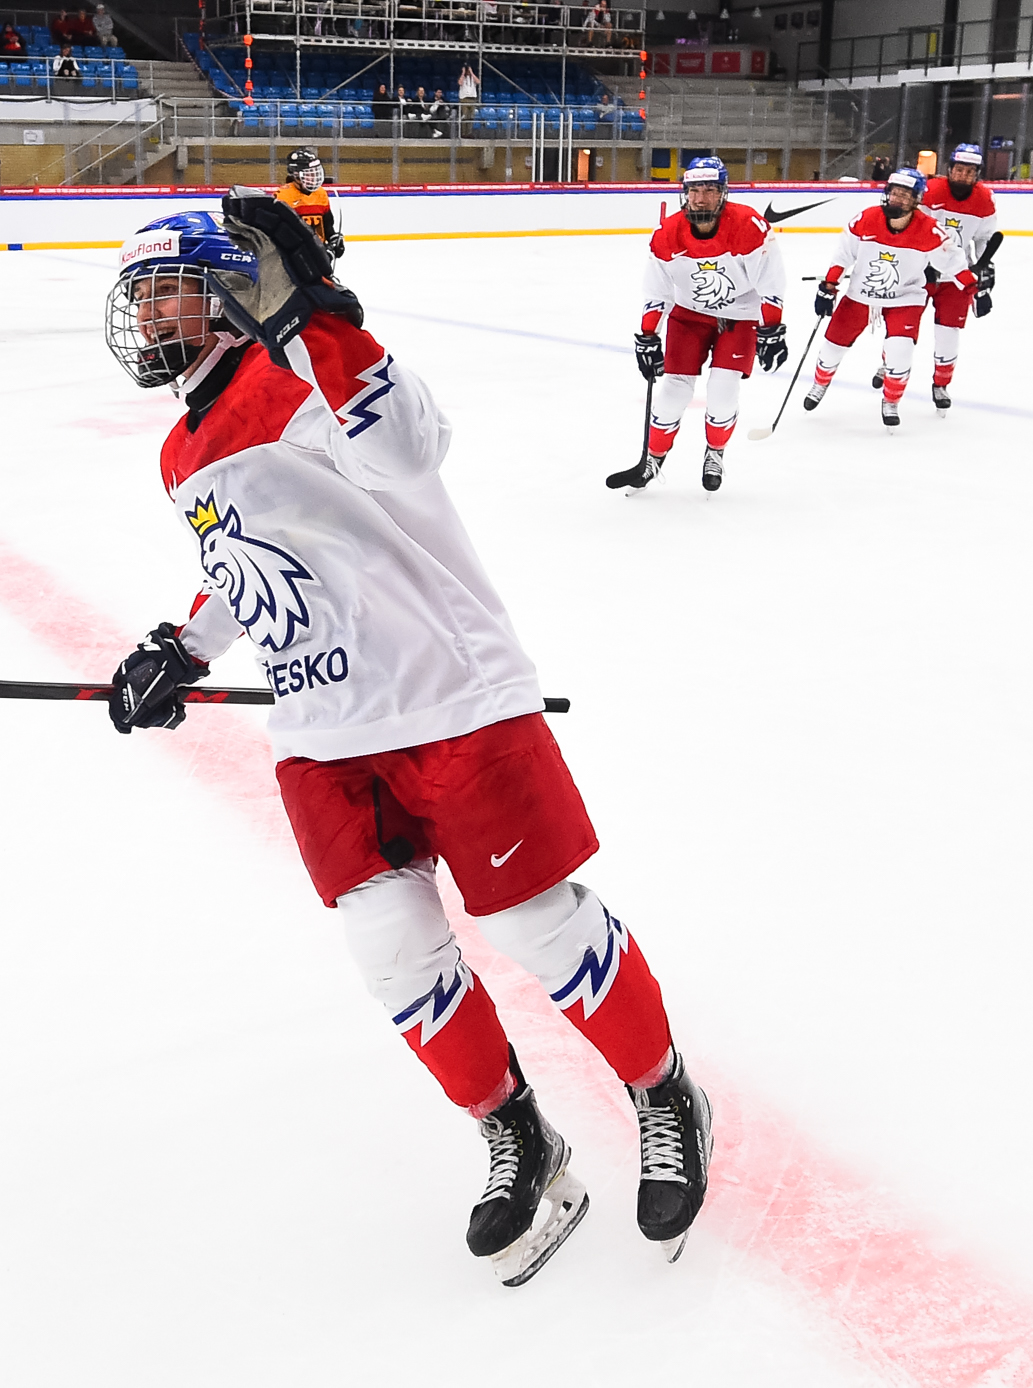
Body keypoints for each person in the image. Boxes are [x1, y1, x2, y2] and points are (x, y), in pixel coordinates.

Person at [100, 197, 713, 1282]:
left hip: (449, 700)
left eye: (168, 292)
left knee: (533, 925)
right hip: (319, 732)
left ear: (229, 295)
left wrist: (323, 321)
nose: (148, 316)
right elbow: (253, 563)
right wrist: (184, 648)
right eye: (138, 297)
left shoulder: (300, 377)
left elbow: (412, 446)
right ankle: (518, 1132)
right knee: (391, 951)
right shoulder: (178, 448)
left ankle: (664, 1091)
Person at [611, 157, 785, 493]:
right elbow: (657, 292)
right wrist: (648, 336)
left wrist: (771, 328)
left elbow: (771, 283)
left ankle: (715, 452)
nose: (701, 198)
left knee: (722, 392)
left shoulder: (749, 225)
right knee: (673, 393)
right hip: (688, 315)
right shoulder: (666, 234)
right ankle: (653, 459)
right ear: (685, 193)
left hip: (739, 316)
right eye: (694, 191)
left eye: (709, 190)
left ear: (723, 193)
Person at [801, 167, 975, 427]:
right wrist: (828, 286)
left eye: (905, 195)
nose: (898, 199)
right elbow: (843, 255)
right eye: (895, 193)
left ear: (916, 200)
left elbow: (953, 263)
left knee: (900, 351)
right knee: (831, 348)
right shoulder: (865, 219)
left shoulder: (930, 229)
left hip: (906, 298)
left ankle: (891, 401)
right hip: (860, 295)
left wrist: (974, 289)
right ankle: (819, 384)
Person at [903, 142, 997, 413]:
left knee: (949, 332)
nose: (964, 176)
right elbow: (912, 226)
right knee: (903, 327)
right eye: (959, 170)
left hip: (956, 277)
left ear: (977, 174)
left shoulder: (984, 200)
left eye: (970, 172)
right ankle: (890, 365)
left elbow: (985, 238)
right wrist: (921, 260)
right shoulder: (930, 191)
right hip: (919, 273)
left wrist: (983, 266)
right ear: (950, 169)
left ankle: (941, 383)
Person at [275, 148, 344, 258]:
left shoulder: (321, 194)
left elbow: (327, 226)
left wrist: (334, 241)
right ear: (296, 175)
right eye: (309, 174)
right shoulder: (283, 196)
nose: (314, 178)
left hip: (319, 254)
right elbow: (282, 234)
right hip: (295, 255)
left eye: (315, 173)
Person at [457, 62, 479, 128]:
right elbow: (460, 83)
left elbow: (478, 82)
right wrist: (463, 73)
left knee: (471, 117)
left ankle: (469, 131)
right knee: (465, 116)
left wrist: (471, 73)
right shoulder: (462, 77)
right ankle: (463, 132)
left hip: (472, 99)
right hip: (464, 99)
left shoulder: (473, 78)